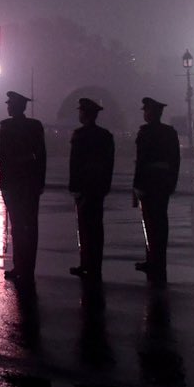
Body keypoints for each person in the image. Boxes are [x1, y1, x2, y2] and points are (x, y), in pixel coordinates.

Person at [0, 90, 46, 285]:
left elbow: (6, 159)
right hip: (28, 182)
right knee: (27, 226)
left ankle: (22, 266)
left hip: (17, 182)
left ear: (17, 106)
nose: (8, 106)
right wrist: (40, 182)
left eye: (10, 104)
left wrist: (4, 184)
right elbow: (41, 157)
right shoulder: (34, 126)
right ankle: (25, 267)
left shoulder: (8, 127)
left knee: (20, 226)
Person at [133, 97, 180, 284]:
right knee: (159, 224)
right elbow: (175, 160)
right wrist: (171, 183)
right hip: (162, 183)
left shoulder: (145, 133)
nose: (145, 113)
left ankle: (154, 260)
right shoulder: (169, 132)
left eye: (146, 110)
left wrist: (137, 185)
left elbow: (141, 161)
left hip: (148, 183)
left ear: (151, 113)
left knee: (150, 223)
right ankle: (156, 259)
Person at [68, 98, 115, 280]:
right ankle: (95, 264)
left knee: (85, 227)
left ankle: (86, 263)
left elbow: (75, 163)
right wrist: (105, 185)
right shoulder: (105, 136)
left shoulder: (80, 135)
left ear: (84, 114)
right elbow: (109, 163)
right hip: (98, 187)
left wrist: (74, 186)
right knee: (96, 227)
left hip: (84, 186)